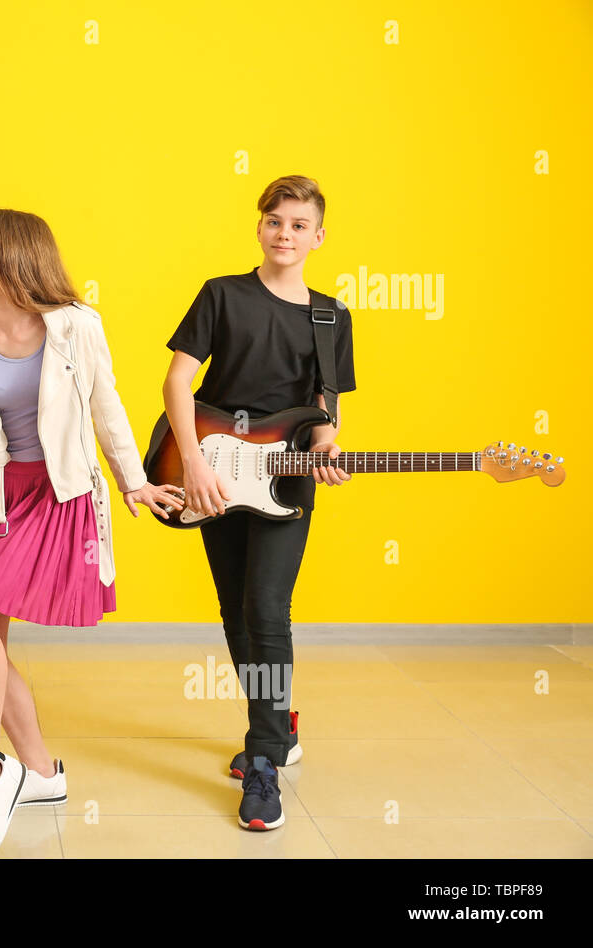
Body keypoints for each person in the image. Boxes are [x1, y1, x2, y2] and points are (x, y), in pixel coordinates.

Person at [0, 208, 184, 859]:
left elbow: (106, 404)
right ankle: (43, 776)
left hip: (58, 494)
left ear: (15, 253)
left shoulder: (76, 326)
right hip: (0, 490)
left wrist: (134, 480)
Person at [161, 175, 357, 830]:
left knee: (268, 607)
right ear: (259, 227)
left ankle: (265, 755)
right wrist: (191, 463)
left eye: (299, 225)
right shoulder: (222, 295)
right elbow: (178, 382)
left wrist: (328, 448)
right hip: (212, 469)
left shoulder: (331, 315)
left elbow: (325, 405)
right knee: (235, 611)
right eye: (275, 221)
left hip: (287, 478)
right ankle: (276, 720)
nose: (285, 234)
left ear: (319, 237)